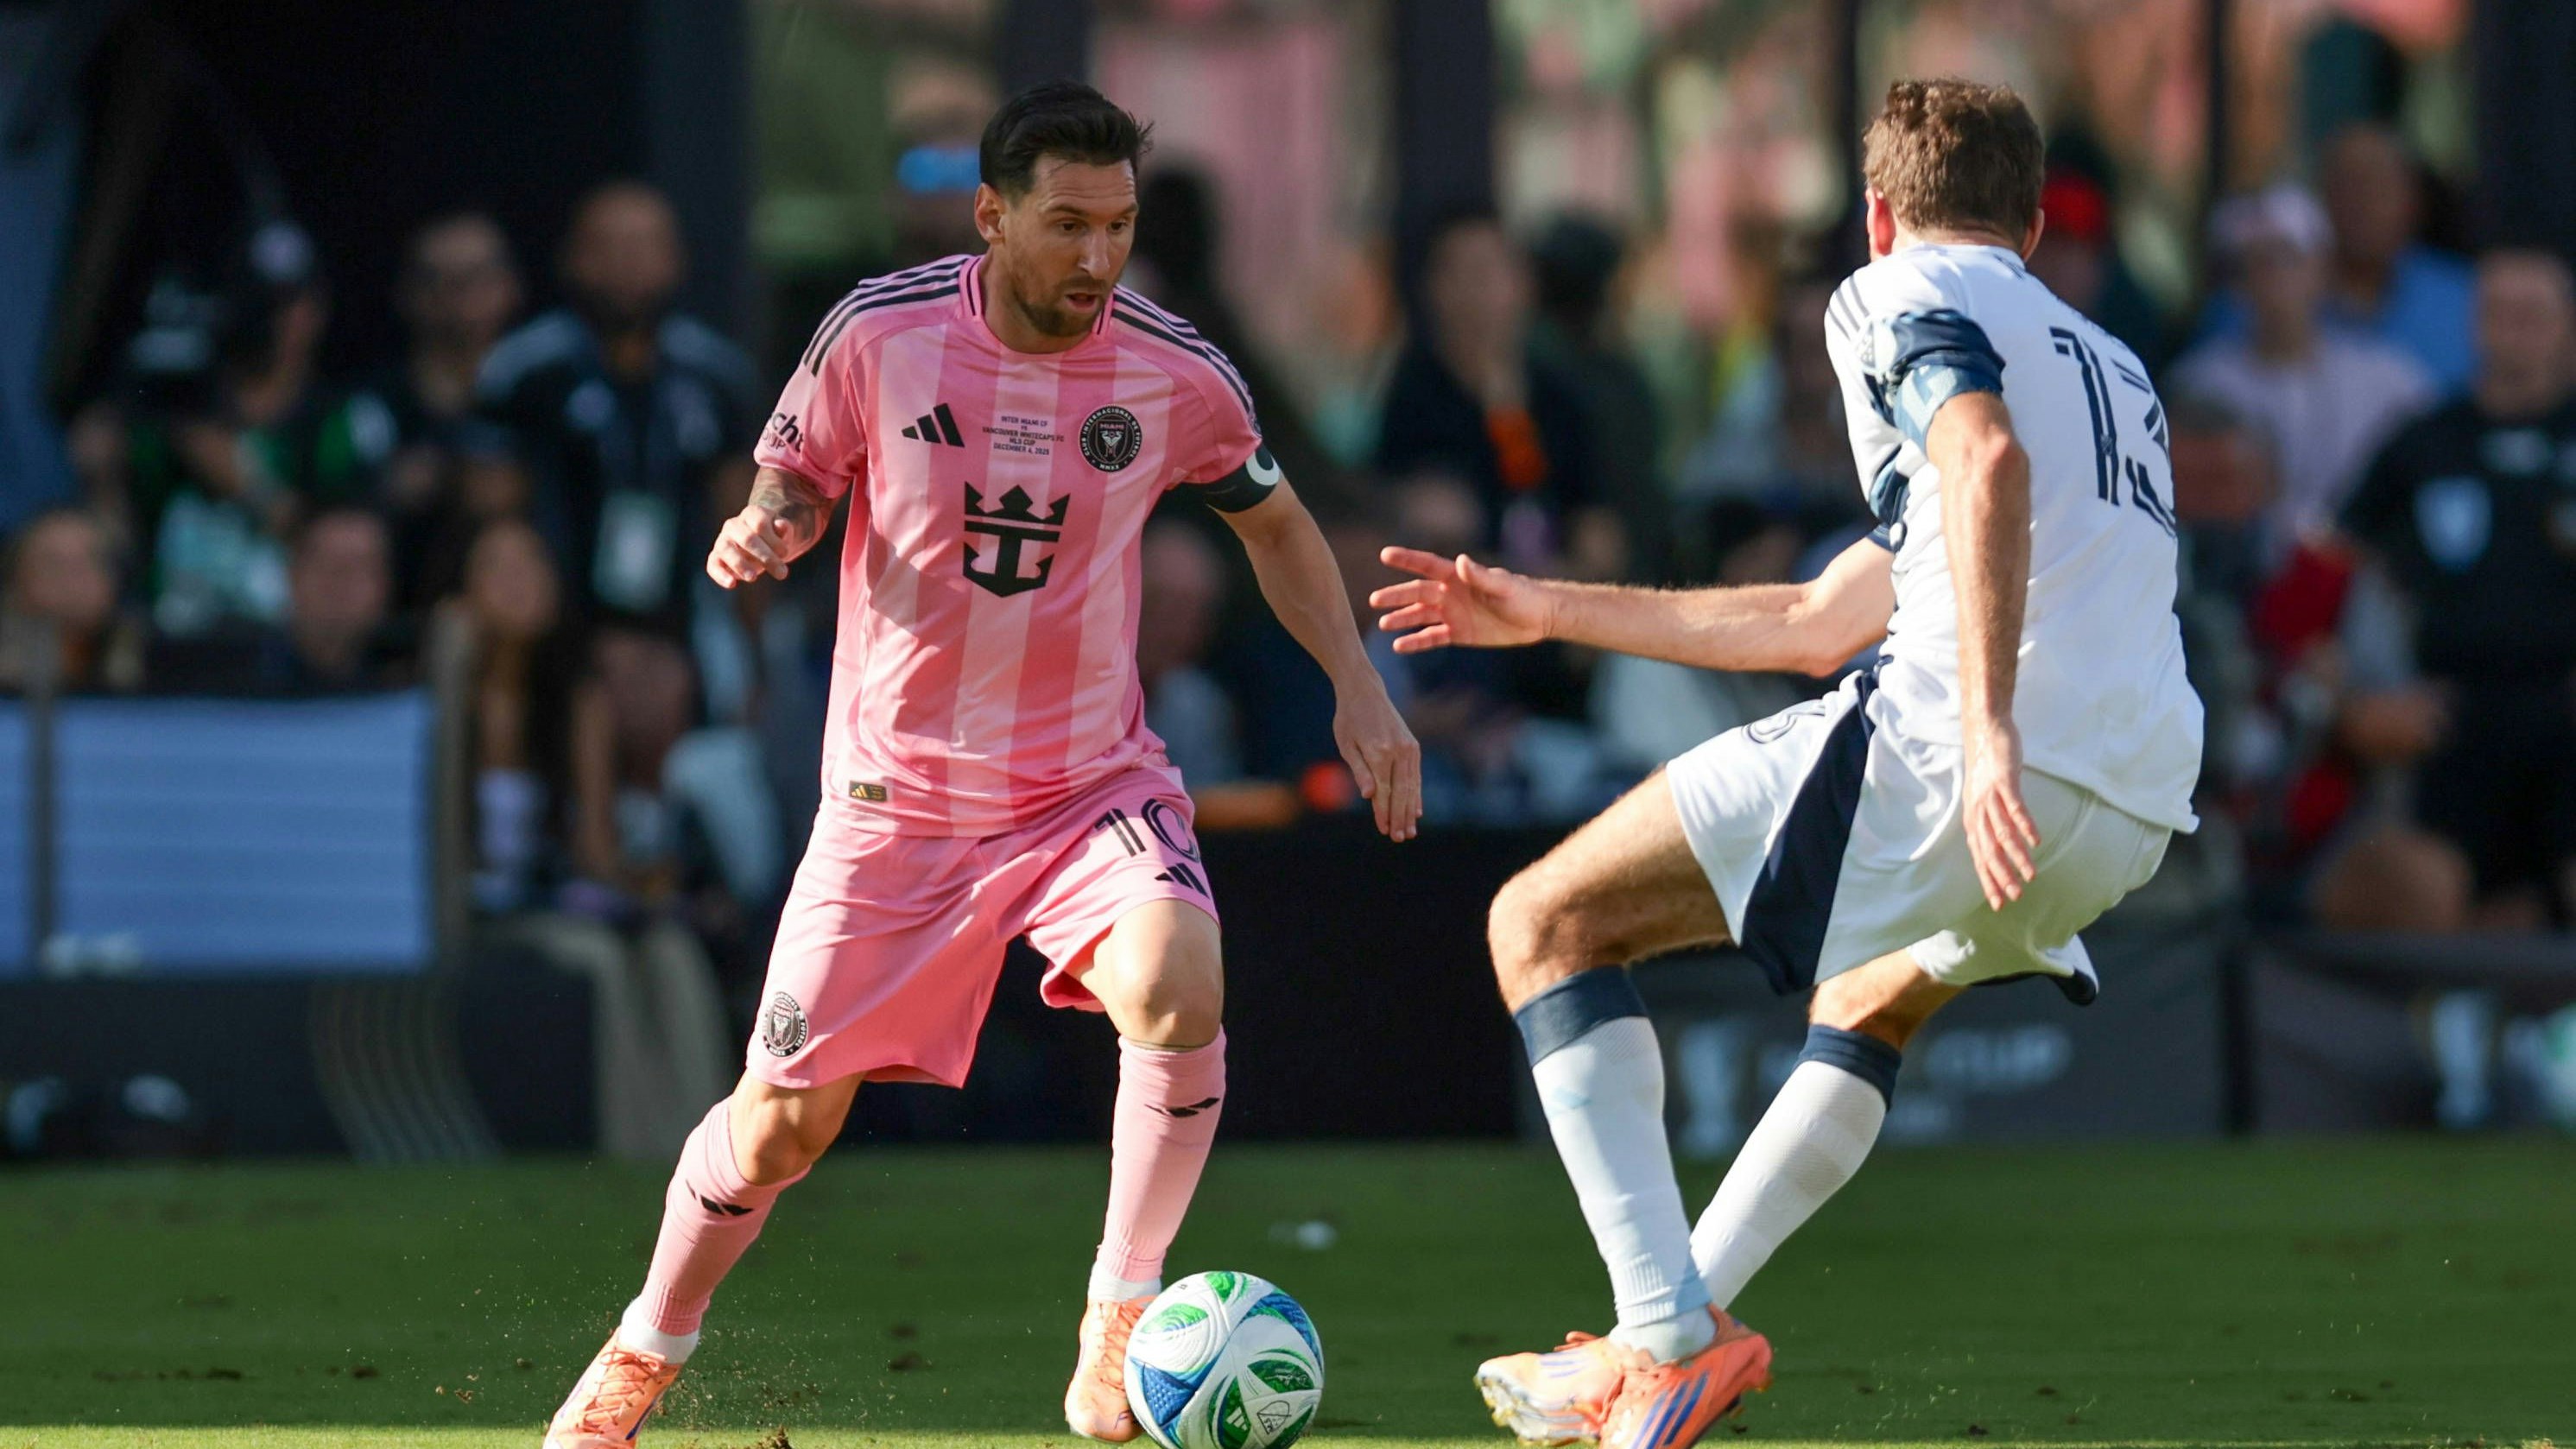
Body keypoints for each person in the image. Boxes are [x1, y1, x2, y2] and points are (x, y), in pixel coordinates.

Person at [541, 83, 1421, 1449]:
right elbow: (791, 475)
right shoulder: (879, 334)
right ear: (991, 215)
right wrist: (766, 529)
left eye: (1117, 225)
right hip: (897, 803)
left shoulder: (1170, 367)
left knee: (1179, 983)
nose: (1095, 258)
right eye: (1066, 224)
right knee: (779, 1129)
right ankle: (642, 1350)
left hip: (1086, 788)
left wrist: (1357, 689)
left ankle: (1120, 1316)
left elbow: (1278, 523)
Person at [1373, 80, 2200, 1447]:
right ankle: (1661, 1334)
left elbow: (1977, 456)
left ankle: (1664, 1338)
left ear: (1876, 214)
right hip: (2126, 808)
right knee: (1868, 996)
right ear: (2035, 225)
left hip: (1971, 756)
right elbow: (1816, 619)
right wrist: (1543, 601)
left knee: (1542, 921)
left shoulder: (1883, 293)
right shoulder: (2109, 364)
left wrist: (1986, 727)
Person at [2337, 247, 2576, 929]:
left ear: (2566, 327)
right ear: (2473, 324)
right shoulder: (2422, 441)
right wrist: (2352, 699)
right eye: (2500, 313)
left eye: (2534, 315)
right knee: (2423, 885)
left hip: (2564, 717)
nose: (2515, 331)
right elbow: (2327, 568)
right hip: (2443, 725)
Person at [476, 183, 762, 642]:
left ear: (676, 259)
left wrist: (755, 648)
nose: (627, 263)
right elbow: (492, 521)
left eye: (645, 246)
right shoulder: (522, 373)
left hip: (688, 626)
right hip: (553, 630)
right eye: (607, 246)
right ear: (571, 258)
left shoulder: (718, 375)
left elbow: (747, 519)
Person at [2172, 186, 2433, 563]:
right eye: (2258, 263)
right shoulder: (2199, 383)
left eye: (2289, 258)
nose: (2275, 277)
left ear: (2323, 269)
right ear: (2238, 283)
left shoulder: (2392, 381)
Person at [1376, 208, 1614, 578]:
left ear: (1524, 284)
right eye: (1458, 273)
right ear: (1432, 287)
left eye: (1488, 272)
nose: (1475, 292)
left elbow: (1598, 527)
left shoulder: (1560, 398)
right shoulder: (1413, 398)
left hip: (1552, 607)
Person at [2198, 124, 2477, 393]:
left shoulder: (2464, 301)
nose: (2362, 203)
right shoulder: (2248, 298)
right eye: (2348, 185)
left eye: (2379, 186)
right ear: (2321, 196)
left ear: (2414, 200)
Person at [350, 212, 523, 608]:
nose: (458, 296)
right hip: (391, 630)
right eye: (436, 279)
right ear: (407, 293)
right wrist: (386, 491)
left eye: (476, 276)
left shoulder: (541, 401)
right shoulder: (368, 406)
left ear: (510, 287)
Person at [0, 506, 145, 694]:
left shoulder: (158, 666)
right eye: (54, 564)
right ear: (16, 584)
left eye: (92, 561)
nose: (74, 580)